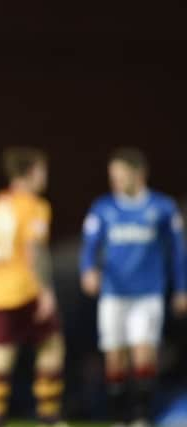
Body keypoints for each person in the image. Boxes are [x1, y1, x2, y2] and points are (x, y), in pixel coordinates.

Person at [80, 147, 187, 427]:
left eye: (120, 175)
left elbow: (177, 252)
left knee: (143, 353)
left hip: (148, 294)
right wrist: (88, 270)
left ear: (139, 173)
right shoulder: (103, 208)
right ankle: (118, 418)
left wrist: (181, 288)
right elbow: (90, 246)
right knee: (115, 358)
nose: (115, 181)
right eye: (112, 175)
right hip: (113, 294)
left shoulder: (162, 208)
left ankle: (140, 417)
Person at [0, 147, 67, 426]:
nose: (45, 177)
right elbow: (34, 249)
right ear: (30, 172)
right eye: (42, 171)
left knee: (1, 355)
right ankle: (49, 416)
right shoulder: (34, 205)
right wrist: (46, 291)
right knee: (51, 346)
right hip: (26, 288)